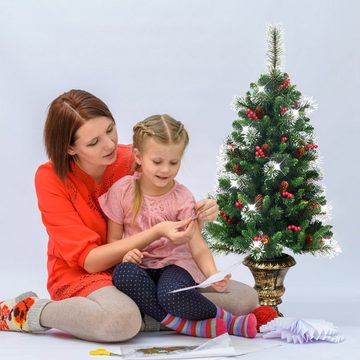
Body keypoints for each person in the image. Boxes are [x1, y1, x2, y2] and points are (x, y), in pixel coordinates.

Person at [0, 90, 258, 342]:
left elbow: (167, 194)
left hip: (147, 269)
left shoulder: (129, 157)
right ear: (69, 148)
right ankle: (30, 311)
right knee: (121, 321)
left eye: (110, 129)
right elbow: (89, 261)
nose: (110, 144)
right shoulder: (50, 178)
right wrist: (155, 233)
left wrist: (201, 213)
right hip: (85, 273)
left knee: (246, 299)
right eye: (94, 142)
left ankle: (149, 314)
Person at [98, 114, 257, 339]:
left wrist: (213, 274)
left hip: (174, 265)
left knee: (170, 294)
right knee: (123, 276)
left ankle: (225, 320)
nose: (165, 169)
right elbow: (113, 242)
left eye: (174, 162)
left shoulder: (181, 198)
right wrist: (128, 254)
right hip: (140, 267)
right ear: (138, 156)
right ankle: (183, 325)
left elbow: (198, 246)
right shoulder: (122, 191)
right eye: (157, 161)